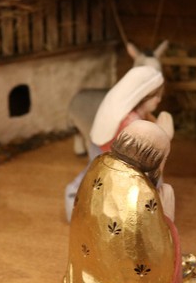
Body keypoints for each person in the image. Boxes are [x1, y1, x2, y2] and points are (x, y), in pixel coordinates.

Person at [59, 120, 181, 283]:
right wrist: (168, 220)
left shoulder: (98, 165)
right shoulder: (141, 191)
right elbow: (153, 258)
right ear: (154, 158)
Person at [64, 65, 173, 220]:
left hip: (120, 156)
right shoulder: (131, 121)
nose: (159, 100)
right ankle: (75, 198)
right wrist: (163, 135)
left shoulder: (139, 115)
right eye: (156, 96)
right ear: (143, 96)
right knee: (96, 180)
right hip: (109, 154)